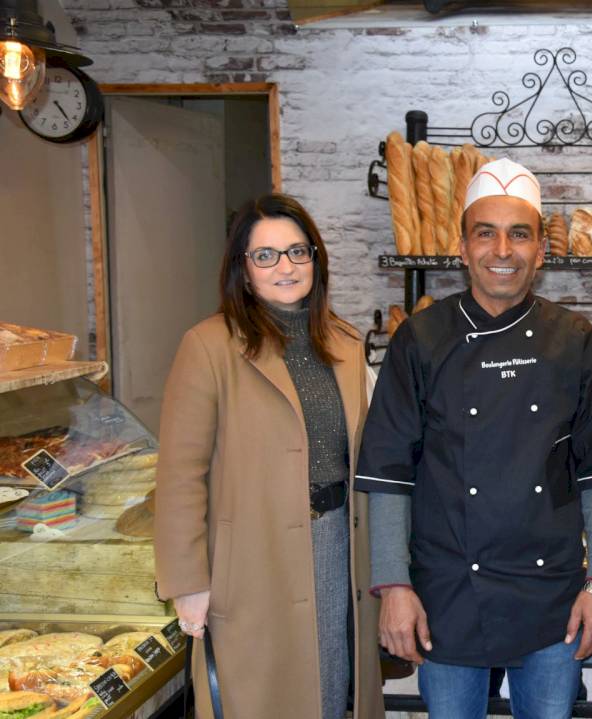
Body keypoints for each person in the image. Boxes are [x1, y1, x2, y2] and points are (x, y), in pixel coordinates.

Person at [356, 158, 592, 719]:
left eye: (519, 234)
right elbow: (389, 475)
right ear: (463, 248)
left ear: (540, 251)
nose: (502, 250)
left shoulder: (575, 341)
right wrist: (393, 586)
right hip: (447, 594)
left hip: (553, 594)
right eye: (486, 233)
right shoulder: (419, 339)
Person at [154, 194, 385, 719]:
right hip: (251, 566)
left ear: (316, 259)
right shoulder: (208, 347)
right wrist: (188, 583)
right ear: (243, 268)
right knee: (261, 698)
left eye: (297, 252)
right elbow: (179, 475)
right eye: (266, 255)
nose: (285, 266)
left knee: (334, 691)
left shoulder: (346, 345)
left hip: (339, 549)